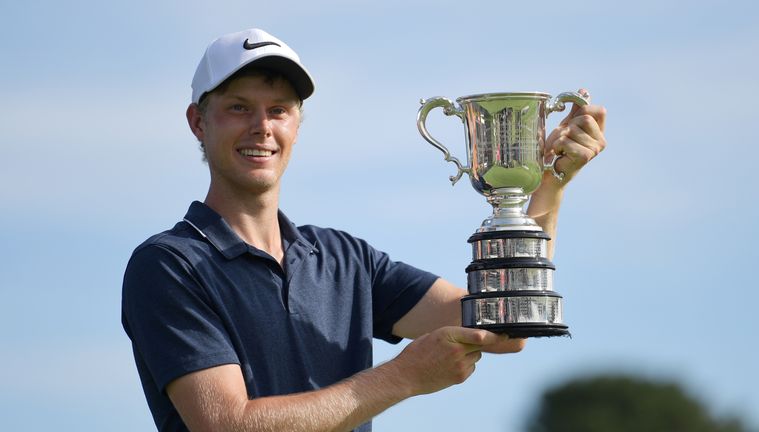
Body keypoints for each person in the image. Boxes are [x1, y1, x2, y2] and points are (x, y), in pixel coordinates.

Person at [121, 28, 607, 432]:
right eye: (238, 107)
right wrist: (403, 377)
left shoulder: (344, 259)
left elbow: (503, 327)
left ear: (297, 124)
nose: (262, 127)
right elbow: (226, 425)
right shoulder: (169, 265)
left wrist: (548, 187)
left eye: (280, 109)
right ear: (197, 122)